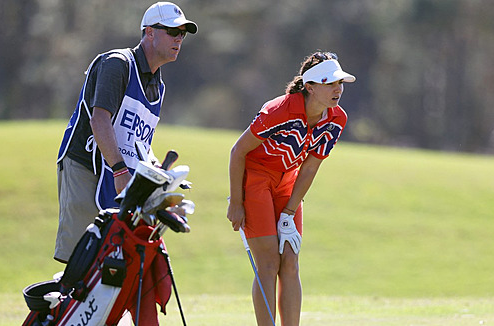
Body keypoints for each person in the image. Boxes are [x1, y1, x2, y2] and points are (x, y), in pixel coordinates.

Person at [54, 2, 198, 263]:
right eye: (171, 31)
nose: (178, 39)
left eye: (182, 33)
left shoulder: (158, 85)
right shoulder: (118, 64)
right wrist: (120, 170)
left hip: (116, 171)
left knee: (113, 262)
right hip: (85, 165)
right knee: (80, 261)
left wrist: (162, 178)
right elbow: (100, 120)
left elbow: (139, 142)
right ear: (149, 32)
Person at [227, 51, 355, 326]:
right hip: (256, 180)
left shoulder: (336, 119)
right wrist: (236, 202)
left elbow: (309, 167)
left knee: (290, 262)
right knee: (269, 263)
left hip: (288, 183)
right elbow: (238, 151)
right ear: (309, 87)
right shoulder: (278, 111)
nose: (338, 89)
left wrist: (289, 211)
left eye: (340, 83)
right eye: (330, 83)